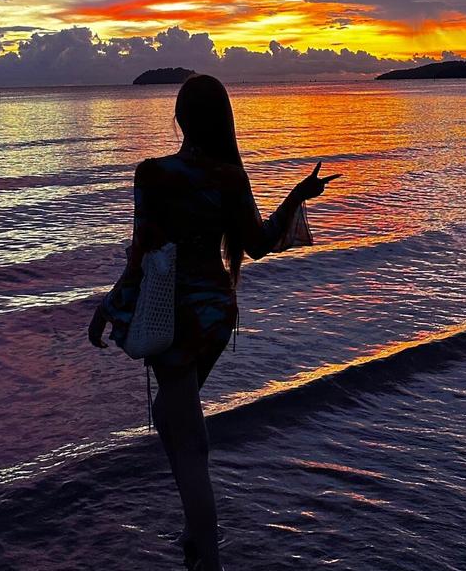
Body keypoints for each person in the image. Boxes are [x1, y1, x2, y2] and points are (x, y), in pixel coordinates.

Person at [87, 74, 339, 571]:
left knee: (180, 428)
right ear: (223, 121)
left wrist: (110, 305)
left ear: (179, 118)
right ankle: (195, 533)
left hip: (171, 313)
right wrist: (296, 196)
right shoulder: (229, 175)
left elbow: (141, 253)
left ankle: (207, 553)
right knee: (175, 415)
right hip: (215, 316)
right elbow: (260, 245)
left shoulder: (152, 174)